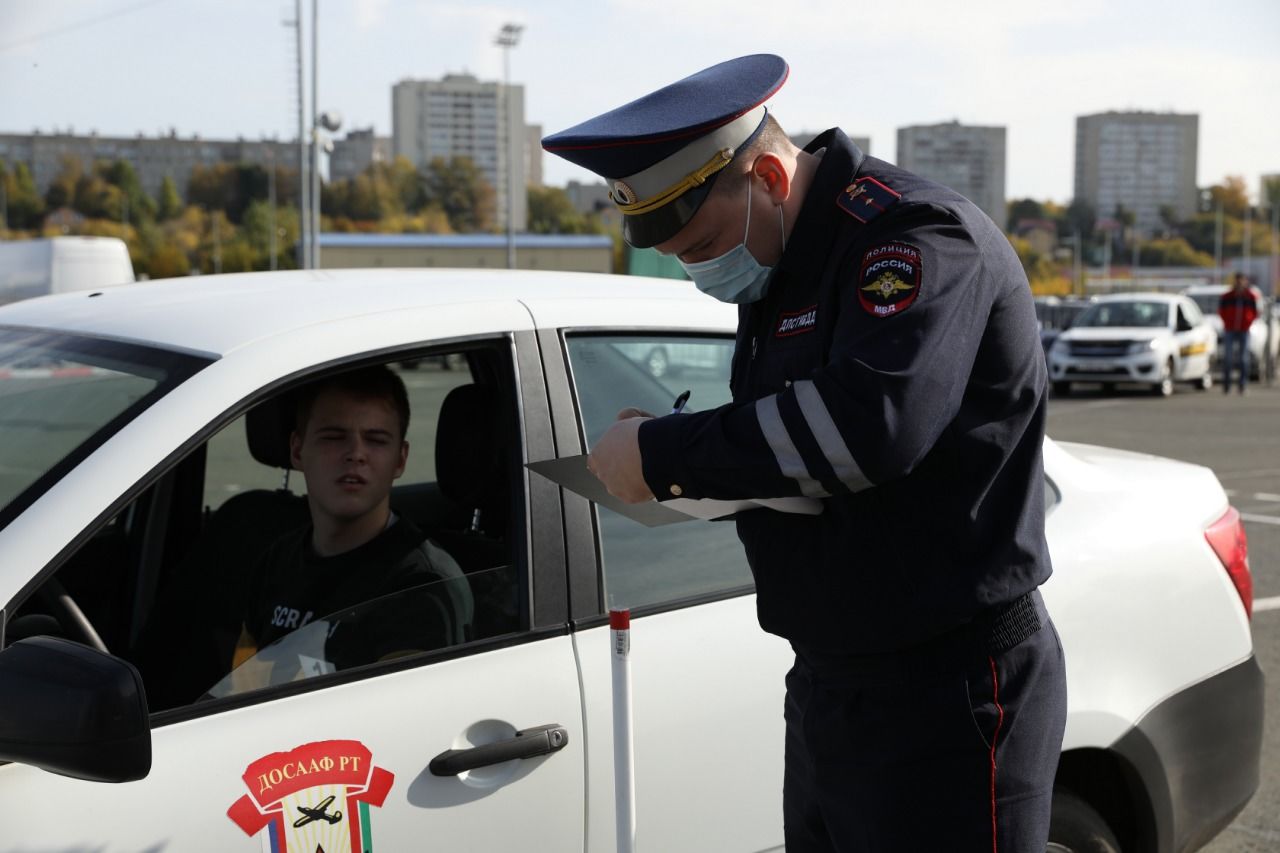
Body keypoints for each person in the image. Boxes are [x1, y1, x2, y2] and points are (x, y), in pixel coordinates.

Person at [543, 55, 1066, 851]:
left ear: (770, 180)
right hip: (832, 683)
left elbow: (870, 425)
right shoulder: (786, 261)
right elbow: (790, 443)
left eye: (705, 241)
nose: (699, 271)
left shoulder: (915, 238)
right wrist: (687, 451)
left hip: (949, 691)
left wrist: (664, 452)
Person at [232, 365, 473, 676]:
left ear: (400, 459)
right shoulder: (276, 562)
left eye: (376, 439)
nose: (356, 453)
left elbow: (405, 715)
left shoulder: (421, 584)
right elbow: (240, 691)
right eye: (334, 437)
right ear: (297, 450)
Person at [1219, 272, 1260, 395]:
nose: (1239, 283)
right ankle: (1226, 385)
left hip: (1244, 330)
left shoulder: (1250, 296)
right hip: (1230, 329)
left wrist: (1248, 322)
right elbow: (1221, 311)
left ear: (1245, 281)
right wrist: (1228, 322)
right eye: (1237, 280)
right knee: (1228, 358)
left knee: (1243, 359)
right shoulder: (1227, 296)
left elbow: (1255, 312)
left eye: (1241, 280)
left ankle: (1242, 385)